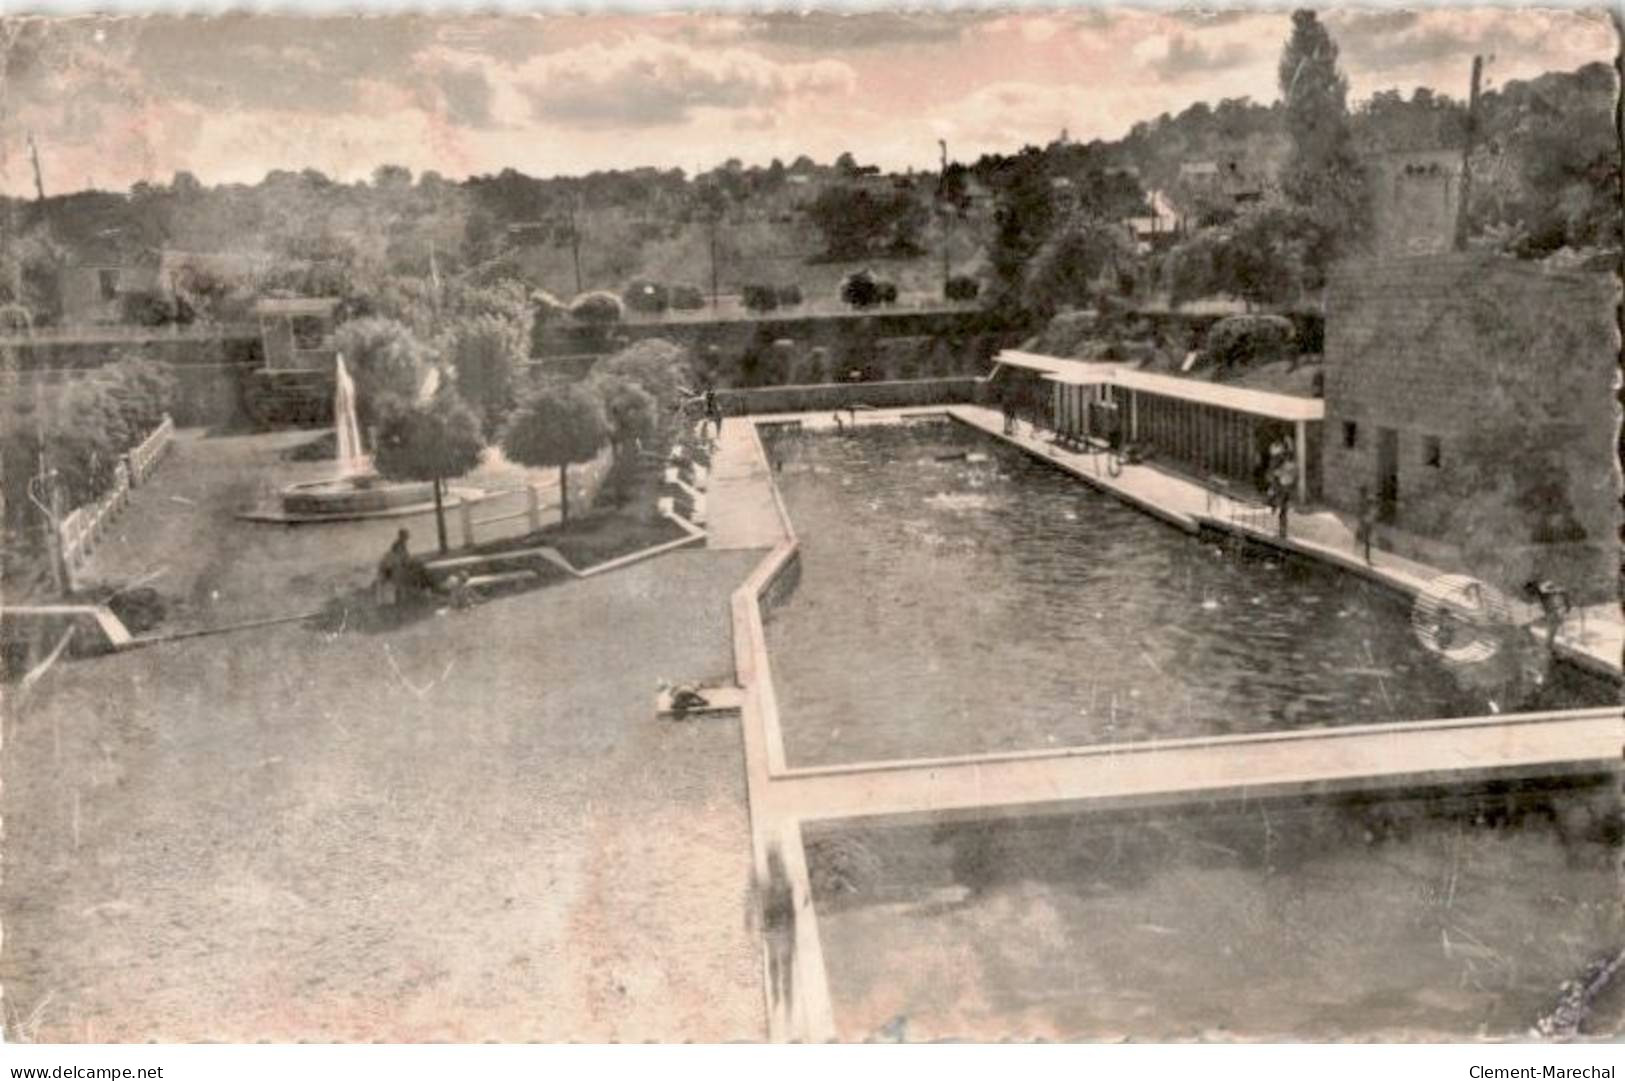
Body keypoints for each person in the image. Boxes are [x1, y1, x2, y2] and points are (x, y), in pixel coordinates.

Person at [1355, 486, 1377, 565]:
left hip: (1367, 522)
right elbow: (1363, 513)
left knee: (1367, 540)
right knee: (1367, 540)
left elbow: (1362, 513)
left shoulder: (1365, 501)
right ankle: (1366, 557)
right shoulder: (1365, 501)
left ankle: (1366, 557)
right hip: (1366, 522)